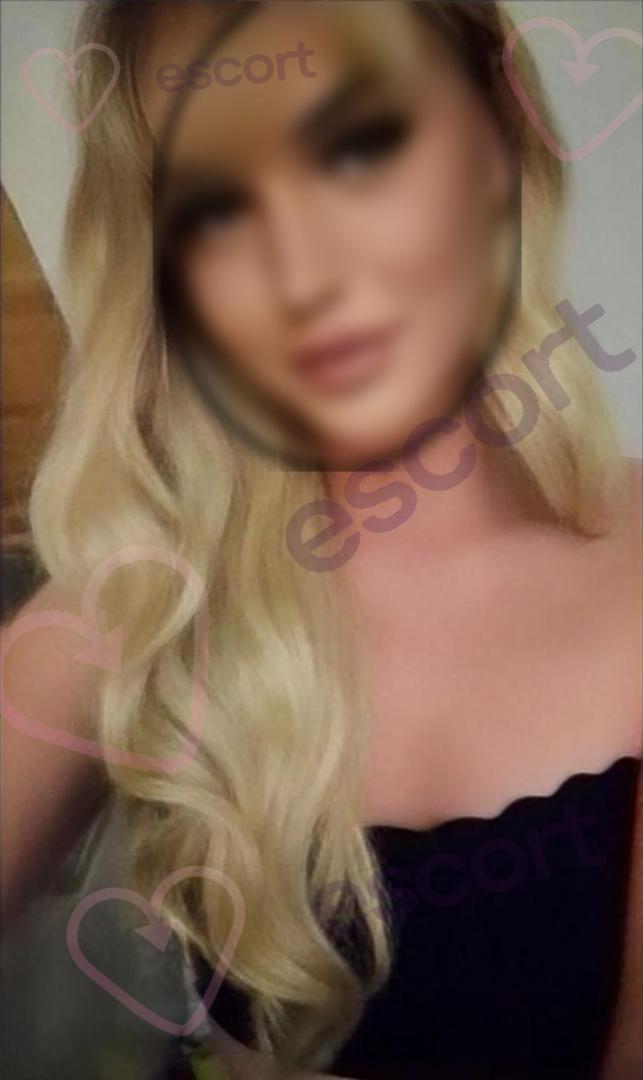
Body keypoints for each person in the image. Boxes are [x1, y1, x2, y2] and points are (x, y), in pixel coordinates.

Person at [2, 2, 640, 1077]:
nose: (301, 273)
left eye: (358, 148)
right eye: (213, 206)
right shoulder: (139, 598)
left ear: (499, 135)